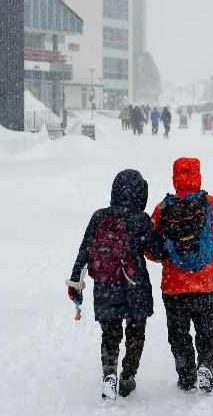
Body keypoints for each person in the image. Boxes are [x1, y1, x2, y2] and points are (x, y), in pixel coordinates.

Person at [68, 169, 166, 400]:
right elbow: (157, 252)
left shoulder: (99, 217)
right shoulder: (141, 219)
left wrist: (75, 281)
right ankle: (128, 377)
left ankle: (109, 373)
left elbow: (85, 250)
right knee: (135, 334)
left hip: (106, 285)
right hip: (135, 285)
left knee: (110, 334)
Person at [151, 157, 213, 393]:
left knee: (178, 333)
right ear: (198, 175)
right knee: (207, 328)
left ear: (174, 177)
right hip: (206, 284)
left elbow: (150, 249)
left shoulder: (163, 209)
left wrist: (167, 255)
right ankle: (206, 366)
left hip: (174, 286)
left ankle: (186, 374)